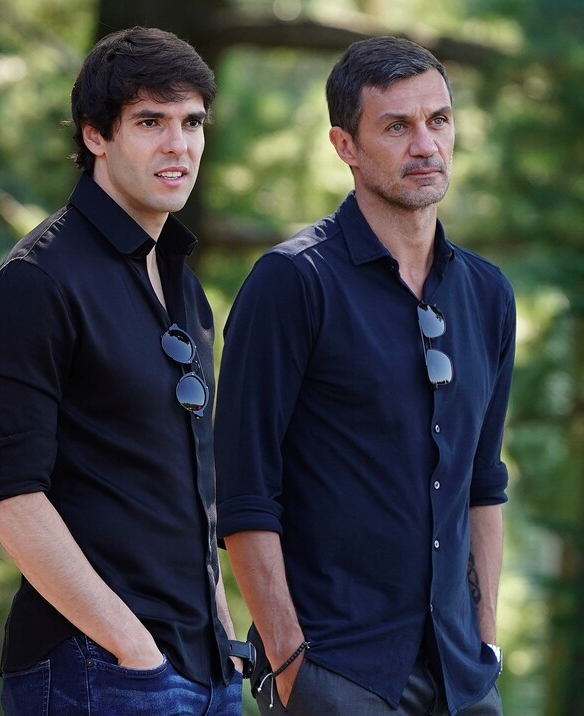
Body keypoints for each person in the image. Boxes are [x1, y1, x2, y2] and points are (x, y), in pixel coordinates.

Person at [215, 36, 513, 715]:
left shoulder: (488, 294)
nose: (426, 145)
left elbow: (483, 481)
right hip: (335, 671)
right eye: (396, 126)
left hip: (462, 677)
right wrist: (289, 663)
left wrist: (486, 637)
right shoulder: (291, 284)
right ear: (344, 145)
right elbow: (244, 493)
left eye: (439, 120)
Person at [0, 26, 248, 715]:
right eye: (150, 122)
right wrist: (133, 651)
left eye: (191, 123)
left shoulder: (183, 286)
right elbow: (11, 499)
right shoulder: (38, 281)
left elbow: (190, 487)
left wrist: (224, 638)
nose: (178, 145)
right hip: (101, 671)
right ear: (95, 134)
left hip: (205, 671)